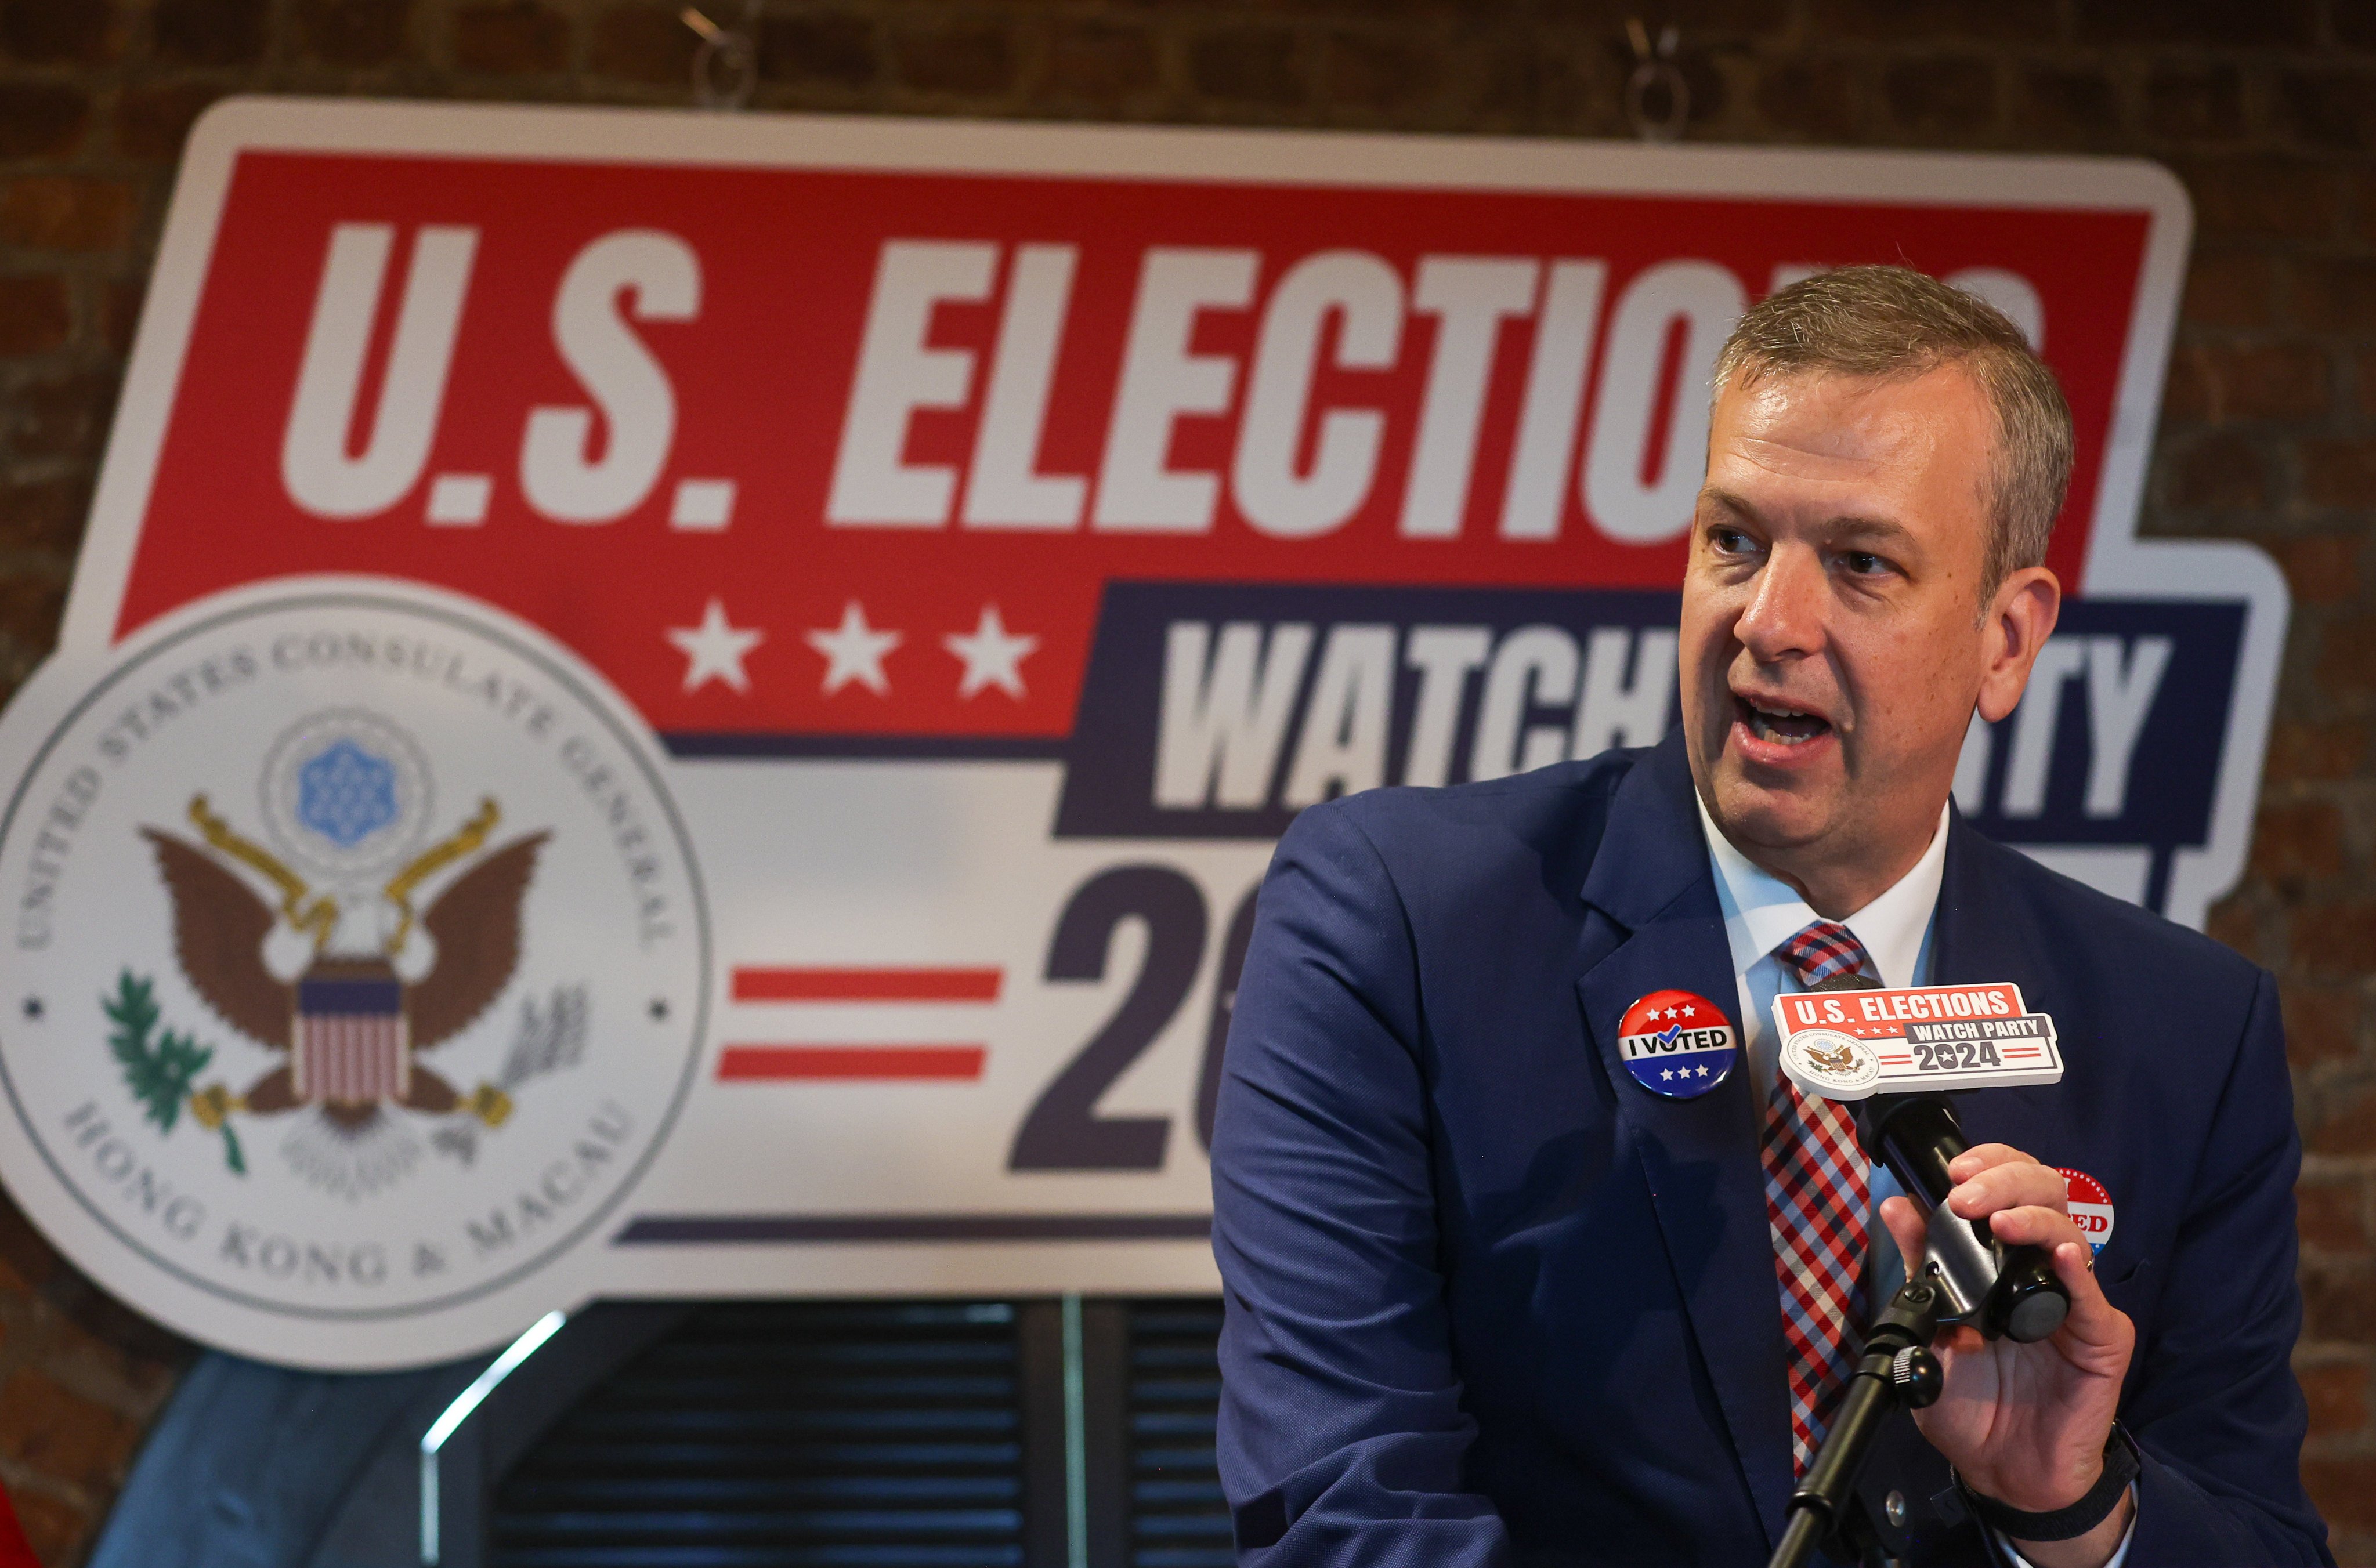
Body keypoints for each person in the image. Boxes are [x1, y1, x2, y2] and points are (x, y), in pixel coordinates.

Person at [1209, 265, 2328, 1567]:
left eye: (1860, 563)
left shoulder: (2185, 1030)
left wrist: (2071, 1511)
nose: (1767, 620)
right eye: (1733, 539)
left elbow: (2256, 1537)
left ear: (2005, 638)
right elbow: (1343, 1507)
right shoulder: (1396, 921)